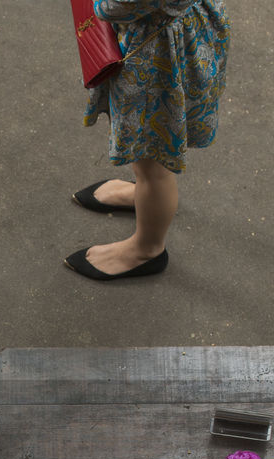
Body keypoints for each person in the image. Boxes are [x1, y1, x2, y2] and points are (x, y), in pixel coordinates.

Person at [64, 0, 230, 280]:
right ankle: (143, 194)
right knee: (147, 151)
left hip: (162, 54)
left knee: (152, 157)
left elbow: (113, 7)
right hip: (171, 28)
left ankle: (147, 249)